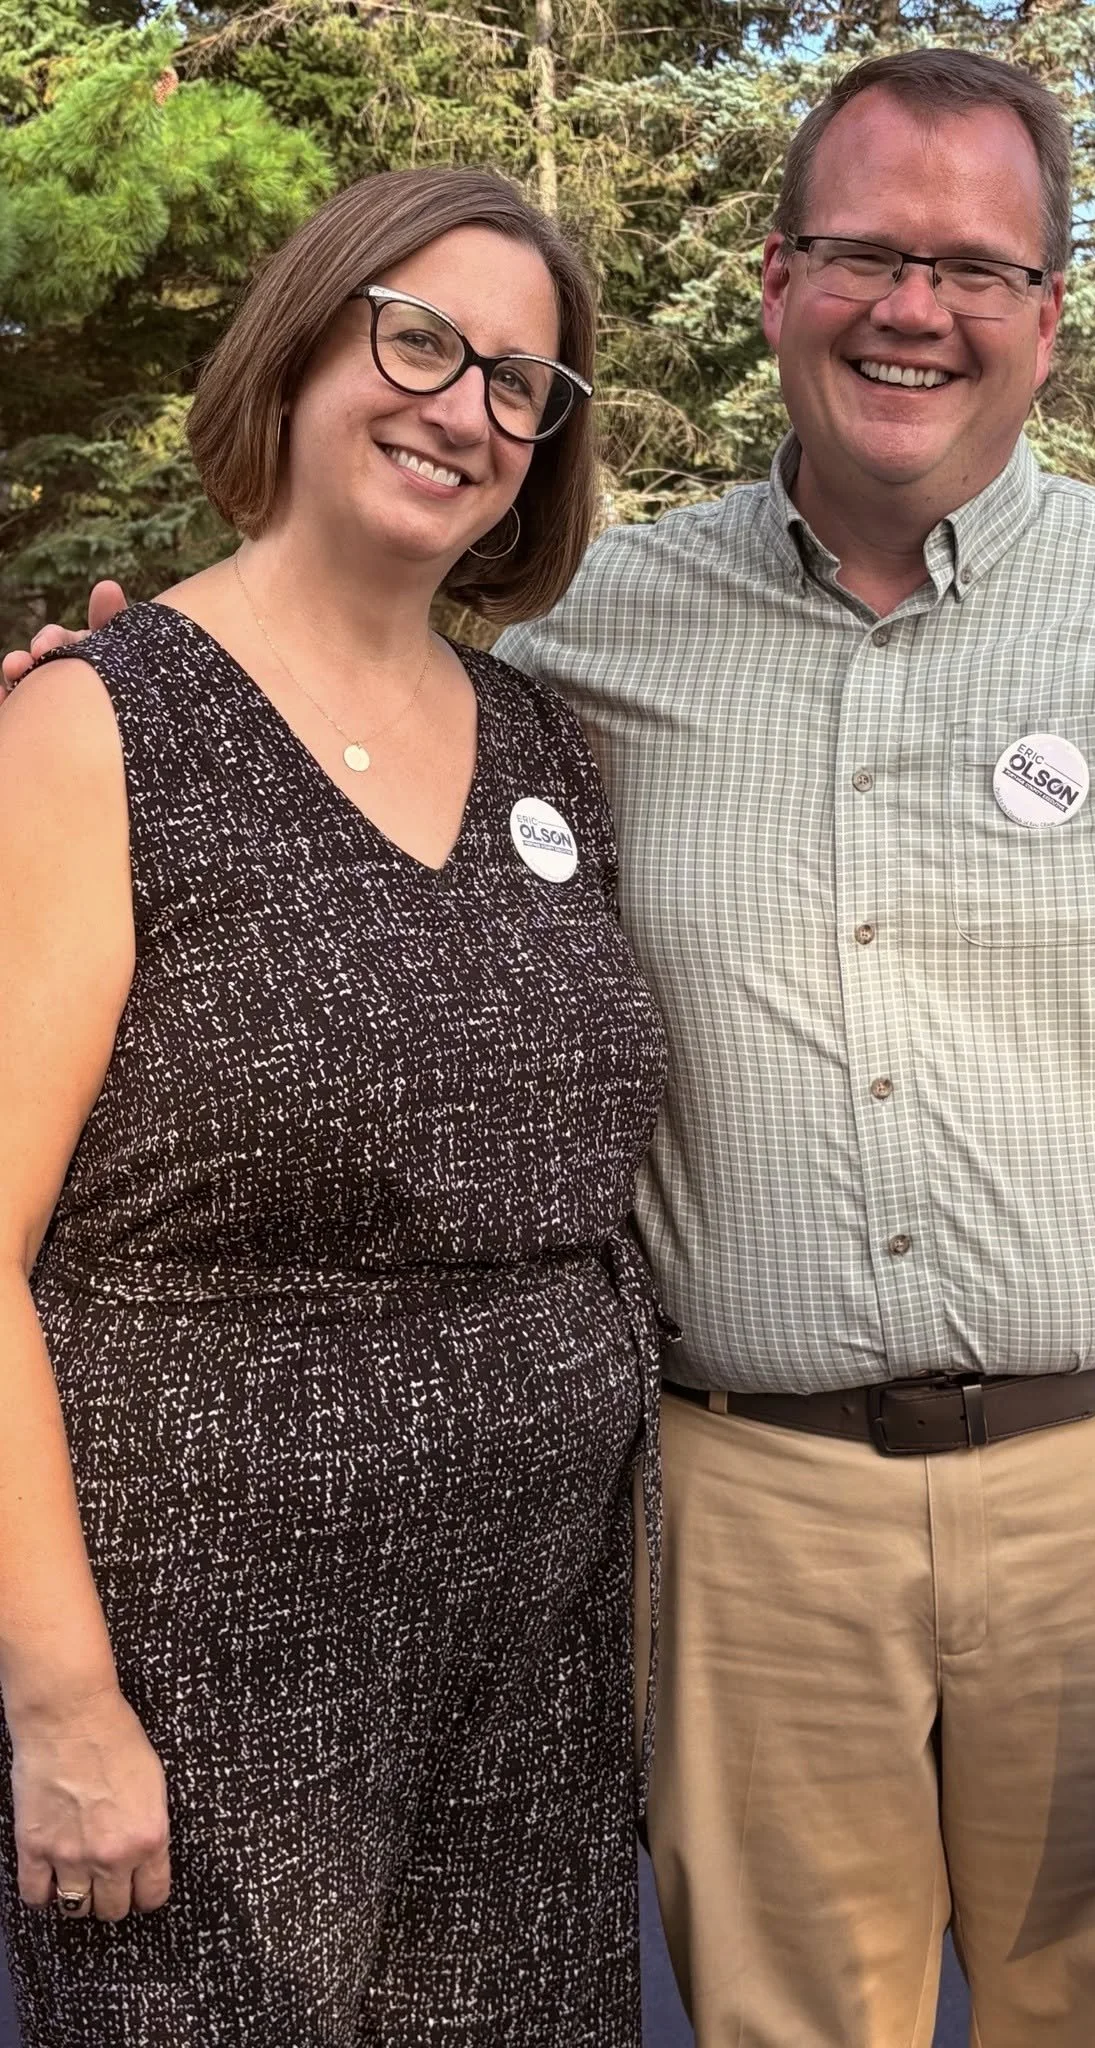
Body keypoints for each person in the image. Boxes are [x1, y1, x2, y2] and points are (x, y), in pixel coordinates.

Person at [10, 45, 1095, 2048]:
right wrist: (104, 693)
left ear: (1046, 317)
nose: (912, 307)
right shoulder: (586, 638)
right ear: (775, 282)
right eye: (863, 253)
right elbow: (303, 699)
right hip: (739, 1518)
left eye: (974, 267)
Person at [0, 166, 666, 2048]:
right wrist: (60, 1706)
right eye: (423, 341)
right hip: (208, 1681)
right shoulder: (94, 727)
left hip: (532, 1677)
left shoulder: (544, 746)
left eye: (522, 384)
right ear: (300, 347)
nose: (467, 408)